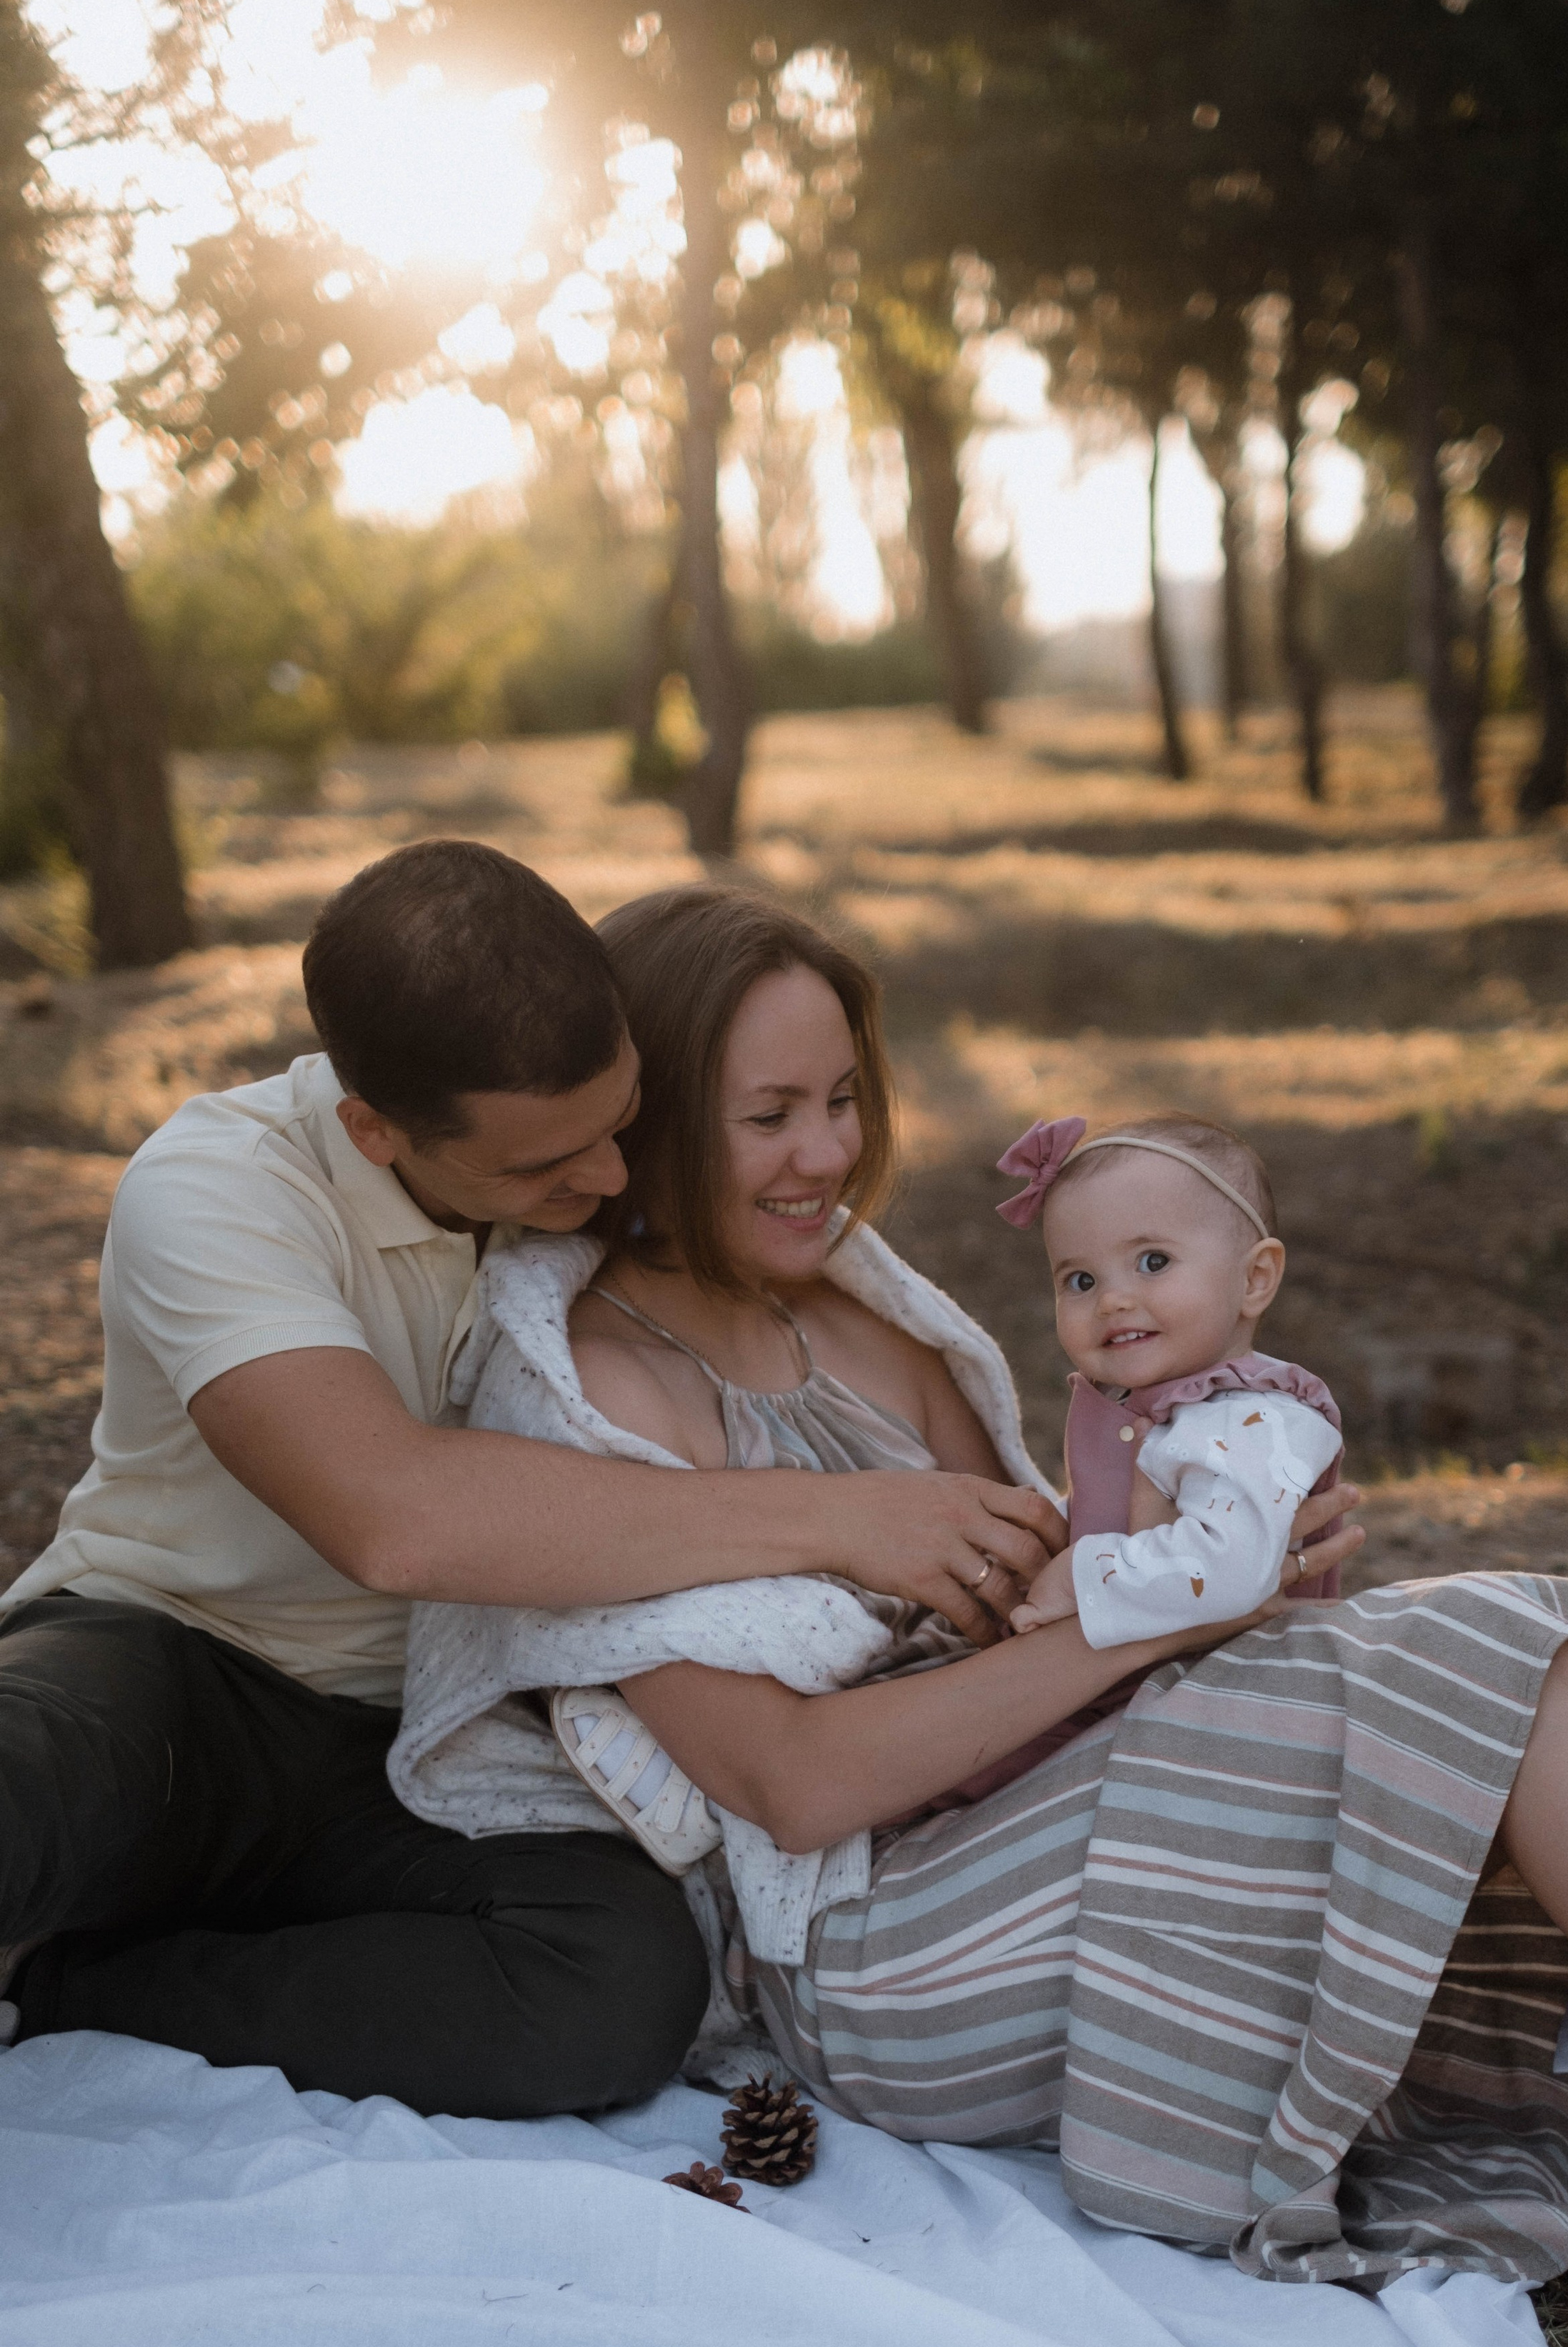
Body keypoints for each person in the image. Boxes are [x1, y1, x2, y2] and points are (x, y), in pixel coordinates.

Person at [400, 880, 1568, 2286]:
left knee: (1540, 1619)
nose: (825, 1151)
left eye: (841, 1096)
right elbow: (796, 1787)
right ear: (644, 1121)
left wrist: (1245, 1538)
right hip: (884, 1944)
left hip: (1047, 1786)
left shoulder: (850, 1304)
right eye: (767, 1115)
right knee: (1469, 1666)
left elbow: (1051, 1578)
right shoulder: (587, 1392)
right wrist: (1174, 1611)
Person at [0, 841, 1068, 2118]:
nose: (610, 1182)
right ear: (374, 1129)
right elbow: (394, 1518)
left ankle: (82, 1992)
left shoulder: (579, 1179)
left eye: (621, 1126)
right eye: (545, 1167)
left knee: (620, 1990)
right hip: (172, 1670)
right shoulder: (218, 1188)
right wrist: (850, 1520)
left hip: (413, 1746)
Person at [991, 1111, 1346, 1640]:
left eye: (1153, 1262)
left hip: (1241, 1685)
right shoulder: (1151, 1409)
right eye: (1081, 1280)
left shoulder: (1255, 1418)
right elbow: (1128, 1517)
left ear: (1254, 1278)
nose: (1112, 1300)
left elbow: (1229, 1567)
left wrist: (1080, 1577)